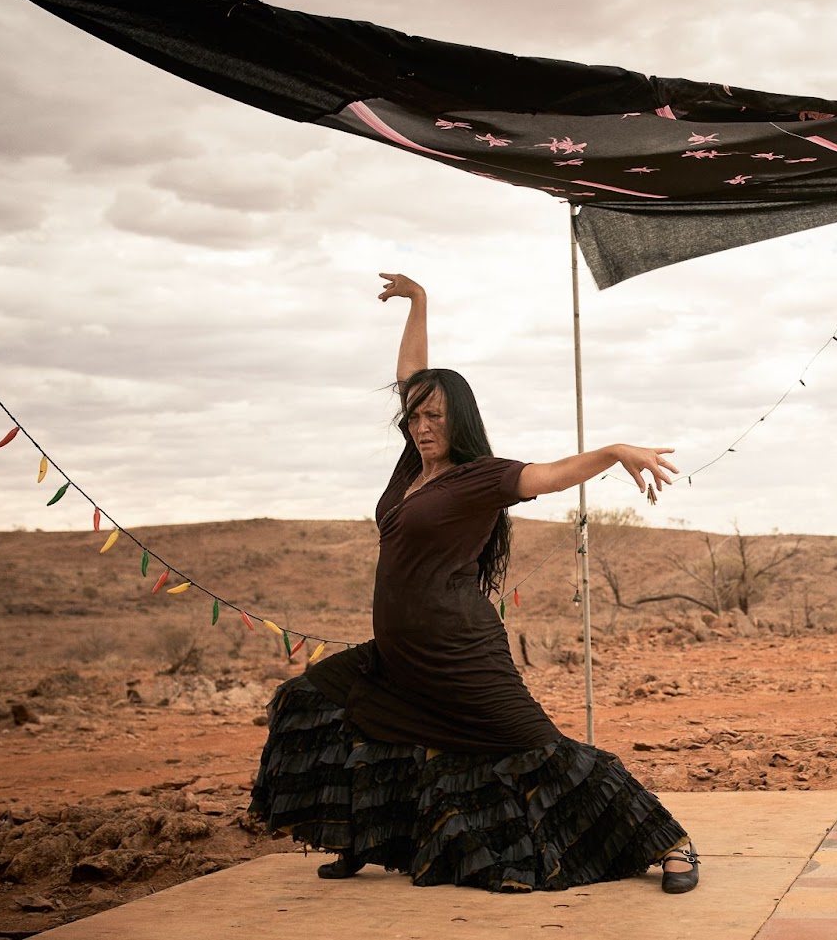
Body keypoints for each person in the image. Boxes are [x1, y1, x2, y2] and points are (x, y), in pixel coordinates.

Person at [249, 272, 699, 895]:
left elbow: (550, 475)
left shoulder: (483, 476)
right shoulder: (413, 463)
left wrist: (614, 451)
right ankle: (367, 837)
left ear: (458, 420)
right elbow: (413, 375)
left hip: (459, 650)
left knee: (538, 747)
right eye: (414, 416)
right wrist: (420, 302)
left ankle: (669, 841)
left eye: (434, 416)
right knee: (314, 702)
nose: (421, 425)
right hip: (399, 655)